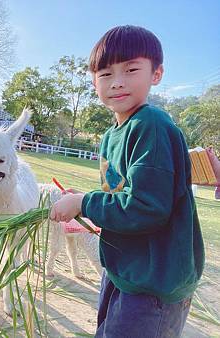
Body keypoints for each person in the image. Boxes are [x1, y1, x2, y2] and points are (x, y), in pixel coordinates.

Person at [50, 25, 204, 337]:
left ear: (156, 74)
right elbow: (122, 195)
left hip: (153, 281)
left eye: (131, 69)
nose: (117, 82)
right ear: (94, 81)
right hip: (124, 269)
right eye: (105, 74)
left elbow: (145, 207)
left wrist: (84, 202)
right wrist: (89, 198)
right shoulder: (111, 136)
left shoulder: (151, 126)